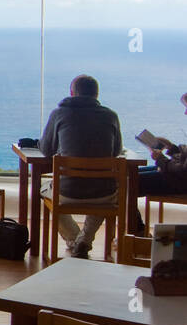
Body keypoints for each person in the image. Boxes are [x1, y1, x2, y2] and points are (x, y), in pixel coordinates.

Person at [39, 74, 123, 258]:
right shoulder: (111, 116)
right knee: (106, 193)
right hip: (103, 194)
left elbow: (46, 150)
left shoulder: (59, 114)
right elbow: (116, 152)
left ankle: (74, 238)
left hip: (67, 192)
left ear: (72, 93)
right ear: (96, 94)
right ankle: (84, 239)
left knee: (43, 189)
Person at [129, 91, 187, 235]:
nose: (185, 112)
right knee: (129, 174)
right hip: (178, 176)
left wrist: (160, 159)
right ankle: (138, 231)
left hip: (179, 181)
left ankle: (137, 233)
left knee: (127, 183)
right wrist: (171, 148)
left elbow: (183, 171)